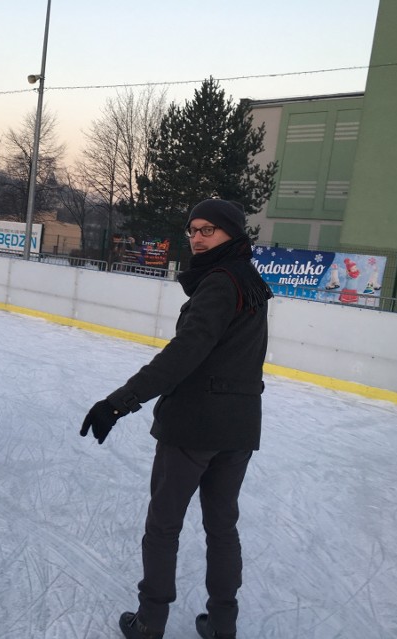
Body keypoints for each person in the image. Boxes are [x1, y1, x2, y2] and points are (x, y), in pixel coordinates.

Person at [80, 199, 272, 639]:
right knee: (222, 526)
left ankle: (150, 621)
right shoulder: (248, 279)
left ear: (232, 234)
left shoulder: (221, 283)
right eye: (193, 230)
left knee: (164, 524)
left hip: (195, 424)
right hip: (239, 425)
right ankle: (223, 623)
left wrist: (119, 401)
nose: (198, 238)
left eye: (209, 230)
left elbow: (186, 352)